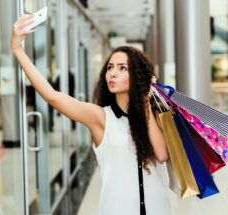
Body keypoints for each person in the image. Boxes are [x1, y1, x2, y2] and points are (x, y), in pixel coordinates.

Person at [11, 14, 172, 215]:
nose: (113, 73)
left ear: (138, 76)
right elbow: (52, 96)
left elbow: (162, 155)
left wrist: (146, 102)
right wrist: (18, 51)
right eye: (110, 67)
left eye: (123, 68)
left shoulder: (154, 113)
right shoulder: (101, 118)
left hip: (158, 209)